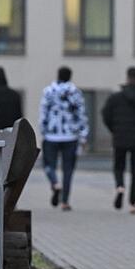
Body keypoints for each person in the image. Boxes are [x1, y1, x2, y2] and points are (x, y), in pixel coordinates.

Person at [102, 67, 135, 214]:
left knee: (119, 166)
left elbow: (105, 115)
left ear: (127, 77)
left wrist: (114, 129)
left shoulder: (116, 98)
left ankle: (120, 186)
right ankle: (133, 203)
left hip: (120, 137)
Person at [39, 66, 89, 211]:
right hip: (70, 136)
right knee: (68, 169)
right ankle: (65, 201)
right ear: (70, 76)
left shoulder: (48, 91)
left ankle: (55, 183)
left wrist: (43, 130)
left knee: (48, 164)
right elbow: (81, 114)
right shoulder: (75, 92)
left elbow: (43, 112)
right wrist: (84, 134)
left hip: (51, 135)